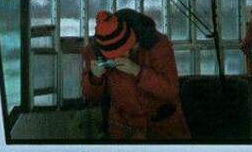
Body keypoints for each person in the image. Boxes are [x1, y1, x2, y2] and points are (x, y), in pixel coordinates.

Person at [81, 9, 190, 141]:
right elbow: (90, 97)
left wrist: (138, 72)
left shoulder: (157, 45)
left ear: (135, 39)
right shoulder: (94, 53)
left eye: (128, 50)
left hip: (163, 128)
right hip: (123, 130)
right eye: (116, 56)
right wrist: (95, 78)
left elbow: (171, 91)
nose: (124, 57)